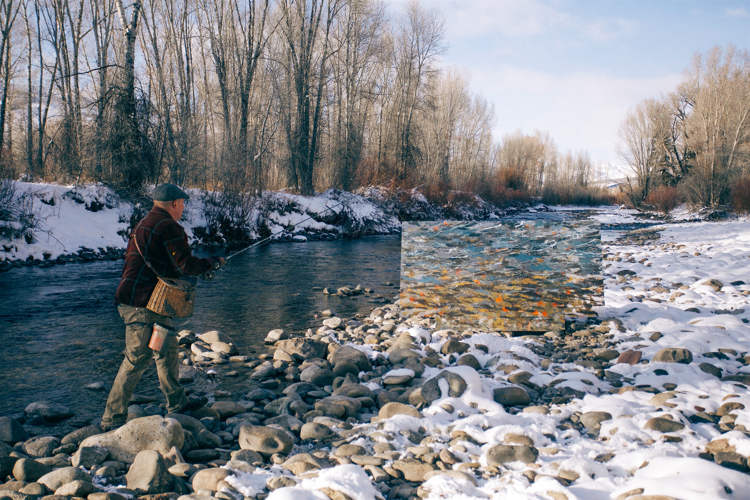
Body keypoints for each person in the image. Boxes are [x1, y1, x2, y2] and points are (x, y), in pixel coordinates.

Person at [100, 183, 224, 431]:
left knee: (165, 351)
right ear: (174, 204)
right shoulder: (169, 226)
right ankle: (111, 419)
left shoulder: (143, 224)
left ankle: (177, 404)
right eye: (183, 204)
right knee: (136, 359)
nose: (183, 208)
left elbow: (168, 265)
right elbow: (185, 265)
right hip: (143, 304)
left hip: (144, 301)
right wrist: (212, 263)